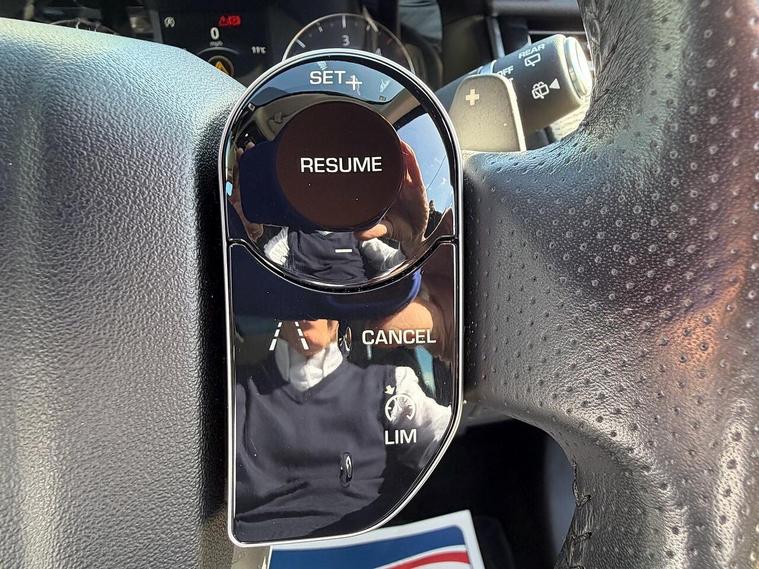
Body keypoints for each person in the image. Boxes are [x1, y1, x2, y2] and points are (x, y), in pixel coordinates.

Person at [234, 318, 452, 542]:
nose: (310, 309)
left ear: (339, 316)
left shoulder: (391, 385)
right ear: (280, 308)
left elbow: (444, 439)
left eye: (322, 300)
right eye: (299, 299)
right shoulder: (230, 395)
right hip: (249, 552)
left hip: (374, 546)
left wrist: (444, 331)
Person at [228, 141, 431, 284]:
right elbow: (267, 265)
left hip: (357, 303)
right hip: (307, 305)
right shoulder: (291, 234)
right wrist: (242, 235)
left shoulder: (358, 232)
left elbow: (392, 264)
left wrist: (413, 241)